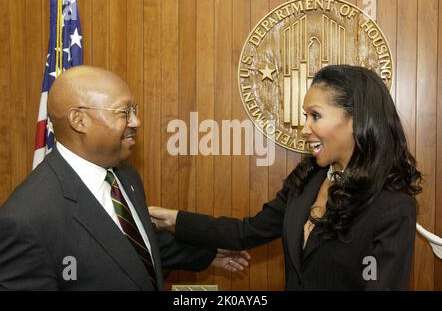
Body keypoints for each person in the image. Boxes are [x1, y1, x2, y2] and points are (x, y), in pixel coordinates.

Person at [149, 65, 422, 290]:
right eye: (306, 116)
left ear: (357, 120)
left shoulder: (392, 208)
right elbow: (247, 231)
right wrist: (175, 219)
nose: (304, 129)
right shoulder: (308, 180)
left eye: (315, 116)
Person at [0, 66, 249, 291]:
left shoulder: (125, 175)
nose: (136, 121)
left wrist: (208, 254)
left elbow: (135, 243)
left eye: (135, 111)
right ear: (79, 120)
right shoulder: (26, 220)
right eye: (124, 112)